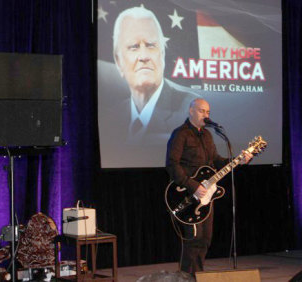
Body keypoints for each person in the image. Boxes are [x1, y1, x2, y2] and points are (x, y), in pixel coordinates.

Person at [166, 98, 252, 275]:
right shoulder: (180, 134)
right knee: (193, 239)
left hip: (205, 196)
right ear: (191, 111)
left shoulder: (207, 135)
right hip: (187, 194)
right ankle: (187, 278)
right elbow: (172, 164)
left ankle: (197, 275)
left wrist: (238, 160)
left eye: (208, 112)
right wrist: (193, 185)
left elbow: (217, 161)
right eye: (201, 111)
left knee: (205, 238)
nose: (206, 115)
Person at [108, 6, 199, 143]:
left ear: (162, 53)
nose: (144, 56)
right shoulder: (111, 118)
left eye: (151, 45)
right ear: (118, 61)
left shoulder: (190, 110)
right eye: (134, 46)